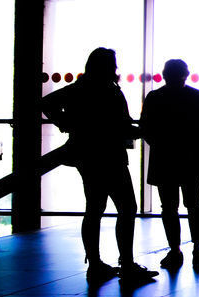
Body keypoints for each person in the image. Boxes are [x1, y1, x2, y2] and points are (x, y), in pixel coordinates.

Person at [38, 47, 157, 283]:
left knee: (94, 208)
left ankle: (94, 263)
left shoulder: (80, 88)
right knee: (127, 207)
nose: (116, 68)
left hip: (86, 155)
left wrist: (65, 123)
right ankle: (127, 263)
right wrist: (140, 131)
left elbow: (47, 103)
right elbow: (118, 126)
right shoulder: (110, 91)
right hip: (110, 155)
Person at [139, 59, 199, 269]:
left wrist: (159, 144)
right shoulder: (197, 97)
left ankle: (175, 250)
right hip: (190, 159)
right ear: (186, 74)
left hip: (164, 159)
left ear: (164, 75)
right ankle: (197, 248)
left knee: (169, 207)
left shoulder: (155, 97)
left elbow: (145, 128)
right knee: (194, 203)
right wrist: (196, 147)